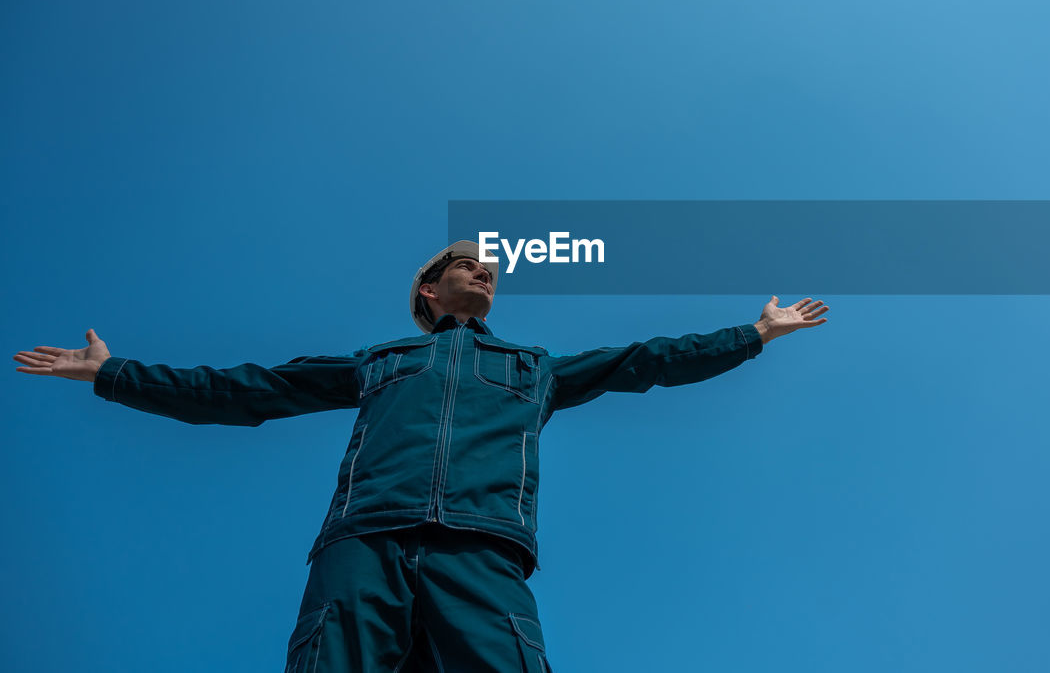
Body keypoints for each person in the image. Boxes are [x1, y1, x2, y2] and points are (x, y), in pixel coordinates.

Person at [14, 240, 829, 672]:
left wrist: (753, 334)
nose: (486, 270)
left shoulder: (532, 369)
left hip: (481, 550)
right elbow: (245, 389)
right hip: (364, 546)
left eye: (491, 267)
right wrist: (113, 373)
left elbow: (646, 361)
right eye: (464, 265)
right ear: (429, 293)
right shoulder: (381, 360)